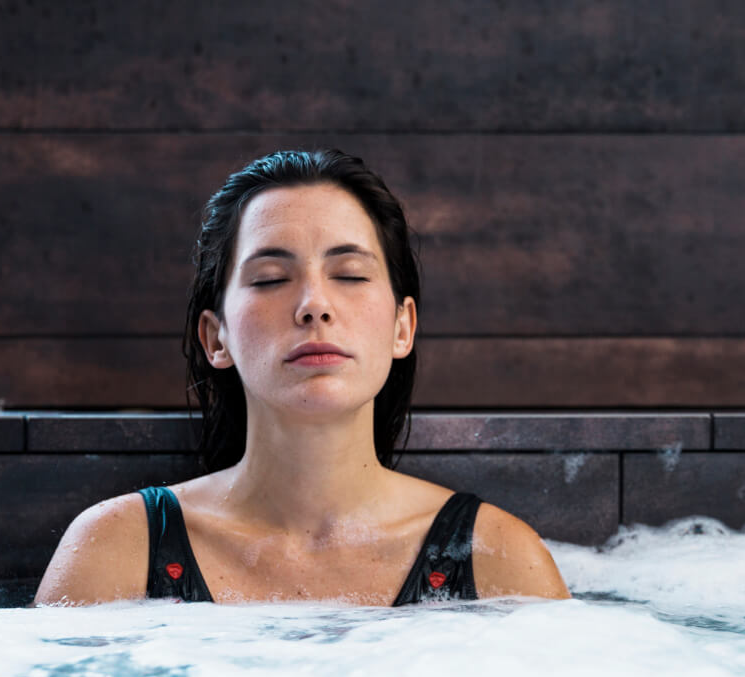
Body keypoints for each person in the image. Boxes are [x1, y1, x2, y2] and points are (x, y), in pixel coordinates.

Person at [34, 149, 570, 606]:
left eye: (350, 275)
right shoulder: (116, 552)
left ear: (402, 328)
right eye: (271, 279)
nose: (314, 305)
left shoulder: (499, 561)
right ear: (215, 338)